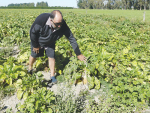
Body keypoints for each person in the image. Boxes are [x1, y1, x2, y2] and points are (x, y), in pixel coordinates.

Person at [28, 10, 86, 84]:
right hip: (39, 40)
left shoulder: (62, 24)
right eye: (57, 24)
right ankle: (30, 67)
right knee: (34, 54)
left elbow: (71, 38)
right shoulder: (41, 20)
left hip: (51, 41)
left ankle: (52, 76)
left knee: (52, 57)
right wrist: (35, 45)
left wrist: (78, 54)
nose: (59, 26)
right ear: (51, 20)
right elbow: (32, 32)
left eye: (61, 23)